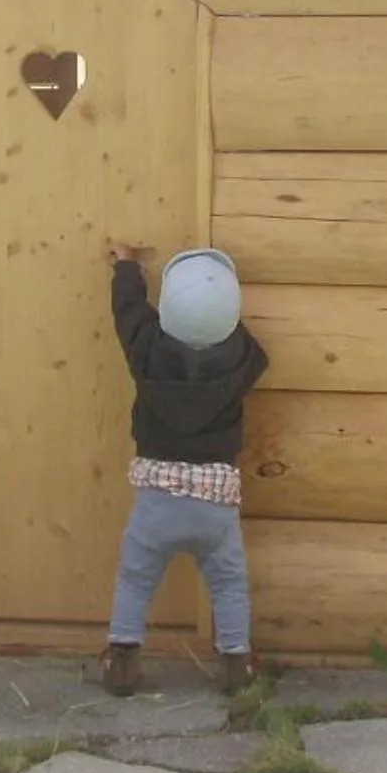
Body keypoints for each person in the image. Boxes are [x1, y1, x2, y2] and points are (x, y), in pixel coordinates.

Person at [101, 242, 271, 695]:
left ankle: (121, 661)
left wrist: (127, 267)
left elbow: (129, 311)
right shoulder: (241, 361)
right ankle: (237, 665)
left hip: (156, 500)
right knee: (229, 585)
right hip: (215, 503)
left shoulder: (145, 350)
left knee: (135, 581)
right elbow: (258, 355)